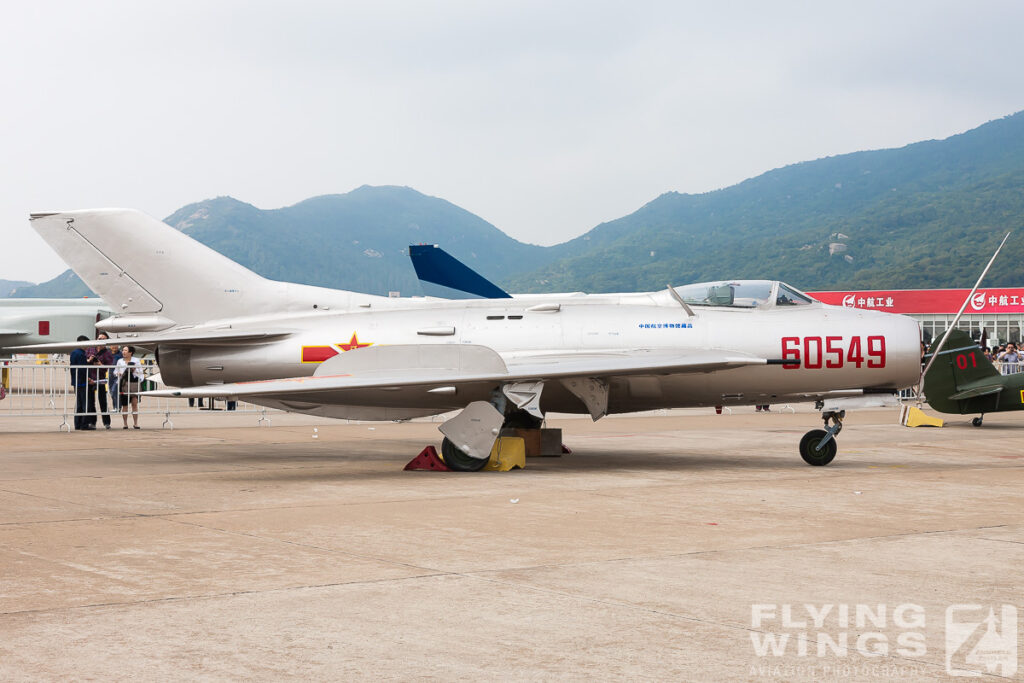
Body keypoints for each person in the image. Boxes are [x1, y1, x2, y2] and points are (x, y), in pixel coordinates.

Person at [88, 333, 114, 429]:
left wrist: (100, 365)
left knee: (103, 401)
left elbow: (110, 367)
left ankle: (106, 422)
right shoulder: (91, 349)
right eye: (99, 338)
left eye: (103, 339)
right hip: (90, 378)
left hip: (101, 379)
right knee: (91, 402)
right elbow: (85, 360)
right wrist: (89, 360)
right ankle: (92, 422)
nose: (100, 340)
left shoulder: (108, 353)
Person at [114, 345, 144, 429]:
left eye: (125, 350)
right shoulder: (120, 361)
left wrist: (134, 370)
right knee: (125, 405)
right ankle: (125, 423)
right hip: (124, 383)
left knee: (134, 404)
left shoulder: (136, 360)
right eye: (123, 350)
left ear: (130, 352)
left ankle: (135, 423)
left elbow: (140, 371)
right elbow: (115, 371)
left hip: (134, 383)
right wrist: (118, 373)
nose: (123, 352)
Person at [69, 336, 95, 430]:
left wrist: (88, 361)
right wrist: (88, 379)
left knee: (79, 404)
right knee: (85, 404)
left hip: (76, 381)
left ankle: (78, 424)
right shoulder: (80, 354)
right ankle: (84, 424)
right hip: (82, 382)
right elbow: (82, 369)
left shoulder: (74, 352)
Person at [108, 342, 123, 412]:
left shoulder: (121, 354)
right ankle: (115, 407)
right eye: (112, 345)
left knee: (114, 390)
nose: (114, 347)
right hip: (110, 375)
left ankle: (118, 407)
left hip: (118, 376)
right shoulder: (108, 354)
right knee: (111, 391)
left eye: (115, 345)